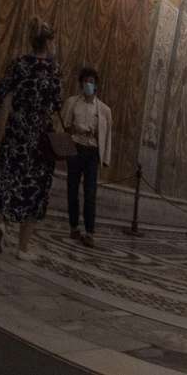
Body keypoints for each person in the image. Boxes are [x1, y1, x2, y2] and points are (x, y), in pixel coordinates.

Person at [0, 18, 62, 261]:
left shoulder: (19, 63)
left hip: (16, 130)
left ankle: (2, 223)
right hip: (39, 135)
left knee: (12, 176)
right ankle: (23, 248)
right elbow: (57, 103)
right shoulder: (53, 70)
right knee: (34, 188)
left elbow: (0, 91)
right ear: (49, 42)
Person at [62, 67, 113, 248]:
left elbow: (107, 137)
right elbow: (65, 126)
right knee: (72, 190)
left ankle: (90, 232)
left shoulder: (104, 110)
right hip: (75, 149)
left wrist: (105, 159)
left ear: (96, 85)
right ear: (81, 84)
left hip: (91, 152)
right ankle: (74, 226)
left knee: (90, 193)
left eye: (91, 82)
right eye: (85, 82)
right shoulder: (72, 103)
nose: (87, 85)